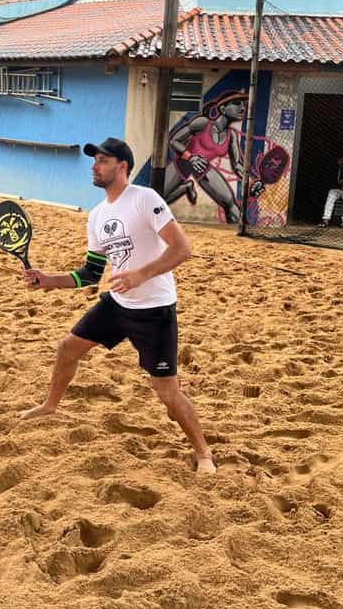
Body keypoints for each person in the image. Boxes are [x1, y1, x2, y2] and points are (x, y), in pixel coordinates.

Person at [22, 137, 216, 475]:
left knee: (167, 393)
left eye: (103, 161)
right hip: (117, 303)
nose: (94, 167)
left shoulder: (144, 199)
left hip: (154, 310)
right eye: (94, 160)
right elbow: (91, 273)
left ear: (122, 166)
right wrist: (49, 279)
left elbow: (182, 249)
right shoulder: (97, 215)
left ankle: (204, 454)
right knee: (67, 348)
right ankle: (50, 406)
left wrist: (142, 274)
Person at [163, 91, 248, 222]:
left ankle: (241, 233)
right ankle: (186, 187)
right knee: (158, 199)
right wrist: (191, 157)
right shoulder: (203, 123)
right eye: (236, 104)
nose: (242, 108)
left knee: (231, 204)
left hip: (203, 168)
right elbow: (174, 141)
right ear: (222, 109)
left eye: (243, 105)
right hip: (182, 164)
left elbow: (237, 165)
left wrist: (250, 181)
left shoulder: (231, 135)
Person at [319, 154, 343, 229]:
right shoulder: (333, 170)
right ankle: (326, 220)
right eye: (340, 160)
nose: (342, 162)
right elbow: (328, 182)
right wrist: (338, 185)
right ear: (337, 161)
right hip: (336, 189)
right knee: (331, 194)